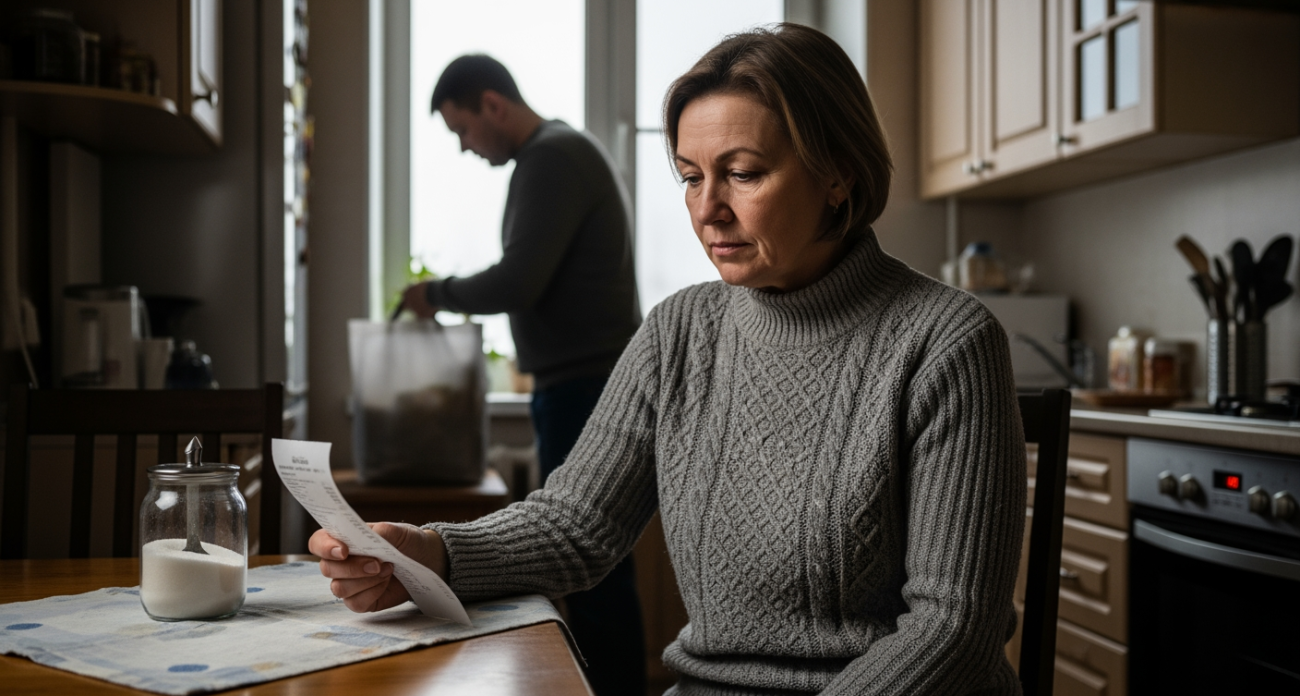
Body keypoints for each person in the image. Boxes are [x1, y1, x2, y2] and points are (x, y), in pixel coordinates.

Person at [318, 24, 1026, 695]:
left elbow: (953, 628)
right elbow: (576, 525)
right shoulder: (680, 330)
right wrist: (430, 551)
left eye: (742, 174)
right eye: (691, 177)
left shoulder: (946, 341)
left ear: (837, 174)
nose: (708, 210)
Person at [399, 54, 646, 695]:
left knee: (589, 562)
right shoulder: (557, 153)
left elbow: (519, 278)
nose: (464, 147)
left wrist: (437, 292)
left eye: (463, 130)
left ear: (493, 105)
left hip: (585, 388)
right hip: (577, 383)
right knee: (593, 562)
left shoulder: (552, 157)